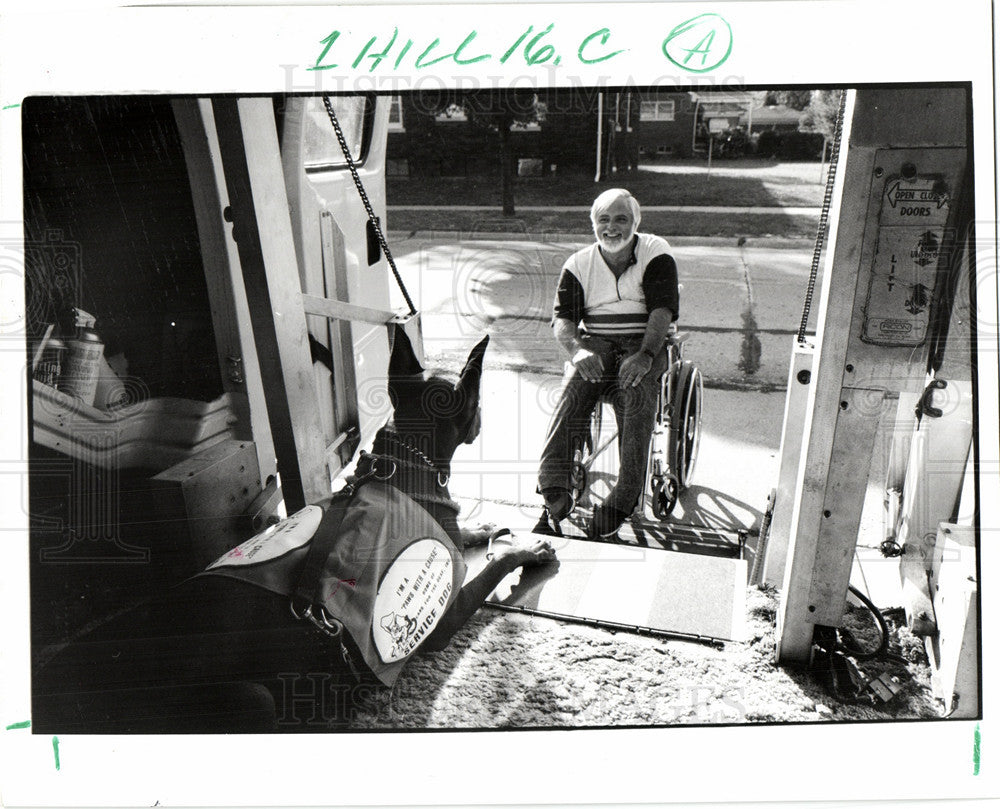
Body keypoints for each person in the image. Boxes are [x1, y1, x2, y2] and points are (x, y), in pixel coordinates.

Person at [535, 188, 679, 539]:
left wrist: (645, 355)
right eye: (604, 219)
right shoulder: (578, 264)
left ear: (635, 223)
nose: (611, 227)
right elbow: (563, 321)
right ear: (593, 224)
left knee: (637, 392)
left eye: (621, 219)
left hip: (644, 341)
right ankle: (553, 485)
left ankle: (625, 496)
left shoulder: (655, 253)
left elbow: (661, 310)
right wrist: (577, 351)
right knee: (573, 390)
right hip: (596, 342)